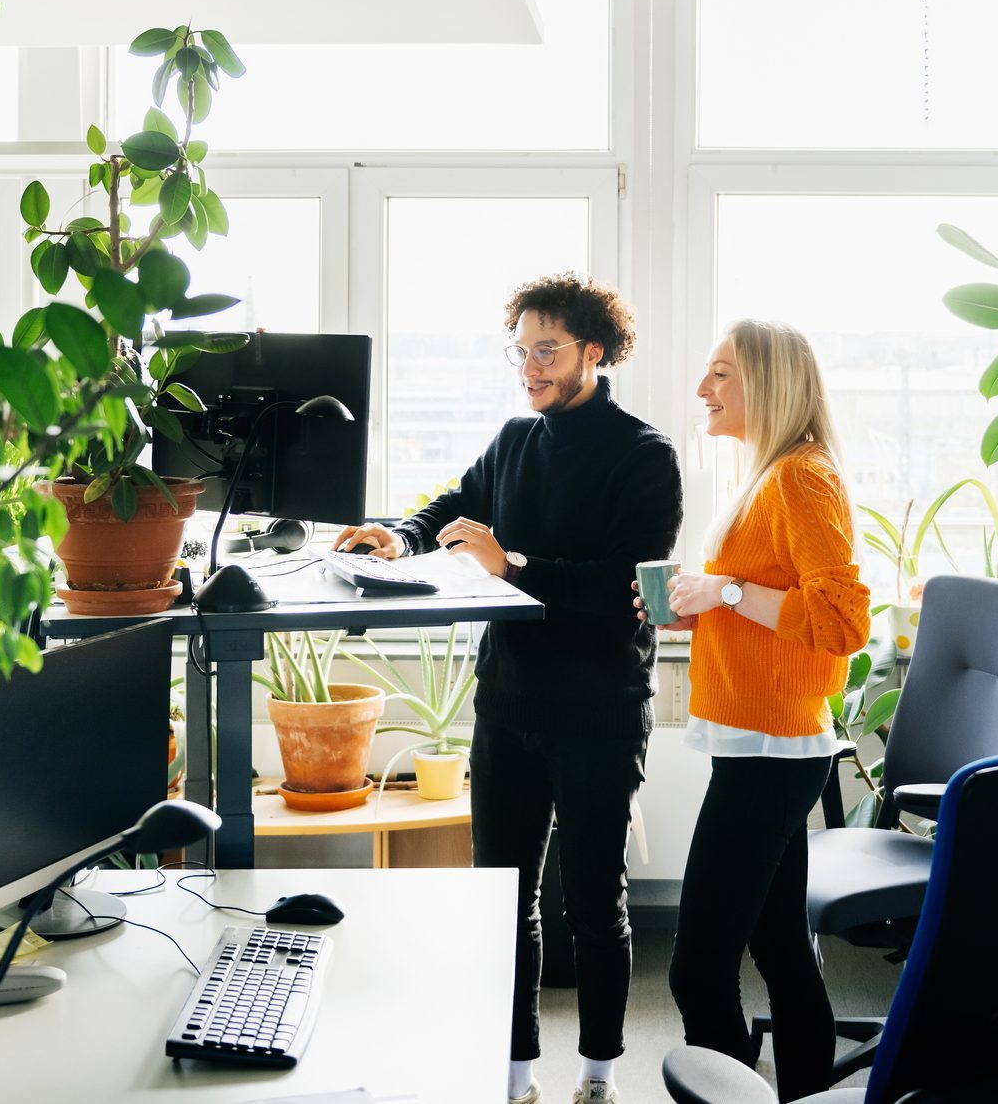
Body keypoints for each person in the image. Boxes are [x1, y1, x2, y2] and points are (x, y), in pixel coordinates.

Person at [337, 272, 682, 1104]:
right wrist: (401, 534)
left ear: (594, 353)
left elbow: (616, 593)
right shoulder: (514, 440)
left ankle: (598, 1073)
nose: (529, 365)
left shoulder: (646, 456)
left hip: (599, 709)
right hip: (510, 705)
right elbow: (457, 507)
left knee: (596, 904)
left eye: (547, 350)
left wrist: (513, 563)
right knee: (503, 900)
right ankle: (515, 1071)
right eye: (521, 349)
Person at [632, 318, 870, 1102]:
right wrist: (703, 605)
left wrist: (726, 590)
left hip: (774, 753)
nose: (703, 389)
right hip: (761, 743)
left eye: (722, 373)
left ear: (768, 382)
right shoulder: (769, 475)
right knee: (780, 952)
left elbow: (839, 623)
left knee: (697, 970)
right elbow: (775, 601)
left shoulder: (803, 477)